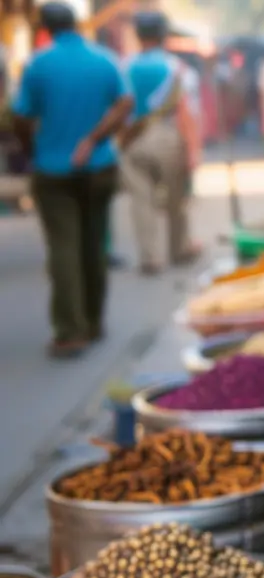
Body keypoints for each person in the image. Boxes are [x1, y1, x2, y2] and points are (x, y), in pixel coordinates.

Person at [11, 2, 131, 358]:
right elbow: (125, 103)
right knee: (94, 244)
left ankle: (70, 330)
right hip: (100, 166)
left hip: (53, 168)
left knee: (64, 248)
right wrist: (95, 139)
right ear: (77, 24)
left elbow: (20, 115)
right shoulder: (104, 59)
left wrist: (31, 147)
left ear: (44, 28)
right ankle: (93, 322)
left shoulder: (38, 65)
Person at [120, 11, 201, 276]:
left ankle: (150, 257)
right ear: (164, 35)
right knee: (176, 198)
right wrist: (193, 150)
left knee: (141, 201)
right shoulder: (177, 68)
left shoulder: (124, 66)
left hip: (132, 139)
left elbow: (117, 108)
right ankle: (179, 249)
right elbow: (185, 112)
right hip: (167, 136)